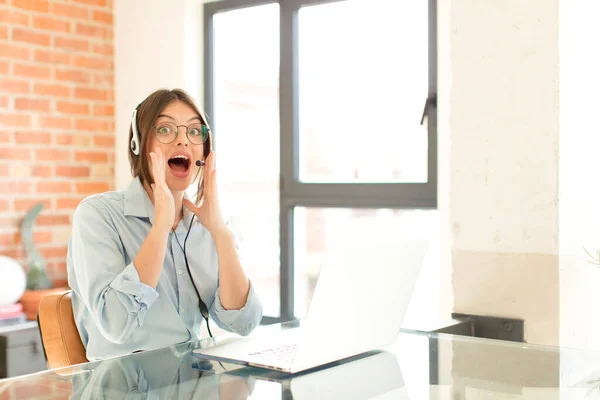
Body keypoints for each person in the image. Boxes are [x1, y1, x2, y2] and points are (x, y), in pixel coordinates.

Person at [67, 88, 262, 361]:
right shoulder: (98, 214)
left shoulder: (207, 223)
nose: (183, 140)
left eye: (195, 132)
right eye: (166, 129)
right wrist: (160, 225)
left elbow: (244, 324)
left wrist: (221, 234)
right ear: (139, 143)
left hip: (194, 382)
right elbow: (115, 323)